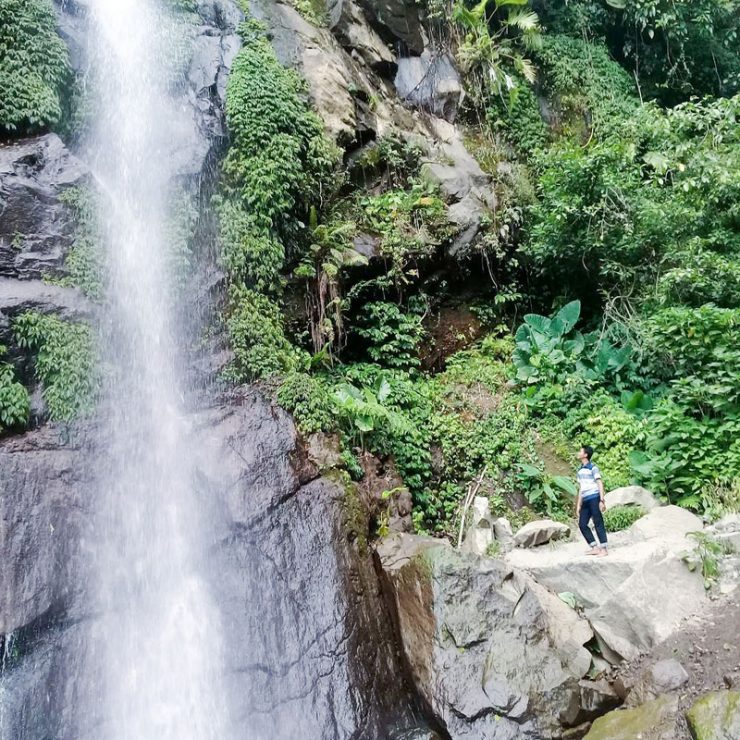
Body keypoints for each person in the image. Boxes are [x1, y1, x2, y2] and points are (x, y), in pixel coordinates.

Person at [575, 445, 608, 557]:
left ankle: (604, 548)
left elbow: (599, 483)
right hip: (585, 499)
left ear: (585, 455)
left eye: (580, 451)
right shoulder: (580, 470)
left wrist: (602, 500)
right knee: (582, 524)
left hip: (594, 497)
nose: (578, 453)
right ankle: (594, 547)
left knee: (598, 522)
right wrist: (578, 504)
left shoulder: (593, 468)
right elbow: (581, 488)